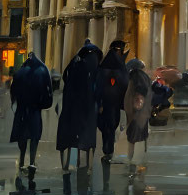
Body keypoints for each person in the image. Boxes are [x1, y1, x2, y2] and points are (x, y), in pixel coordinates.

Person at [55, 39, 102, 171]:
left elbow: (65, 79)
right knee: (86, 134)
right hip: (86, 105)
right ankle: (85, 163)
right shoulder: (92, 67)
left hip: (70, 105)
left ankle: (68, 163)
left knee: (69, 134)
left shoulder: (73, 64)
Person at [9, 52, 54, 177]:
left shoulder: (20, 73)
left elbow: (13, 91)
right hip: (35, 109)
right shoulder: (41, 70)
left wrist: (14, 103)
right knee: (34, 136)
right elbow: (47, 90)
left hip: (22, 109)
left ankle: (22, 160)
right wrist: (44, 103)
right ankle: (32, 162)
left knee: (22, 136)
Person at [95, 40, 129, 163]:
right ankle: (108, 151)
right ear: (119, 50)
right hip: (110, 104)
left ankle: (108, 151)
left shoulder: (107, 65)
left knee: (109, 128)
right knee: (109, 127)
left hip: (109, 104)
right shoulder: (115, 67)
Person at [124, 57, 153, 164]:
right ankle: (142, 156)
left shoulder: (135, 76)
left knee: (132, 135)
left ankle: (130, 158)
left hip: (135, 110)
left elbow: (138, 92)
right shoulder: (144, 77)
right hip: (143, 110)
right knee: (141, 132)